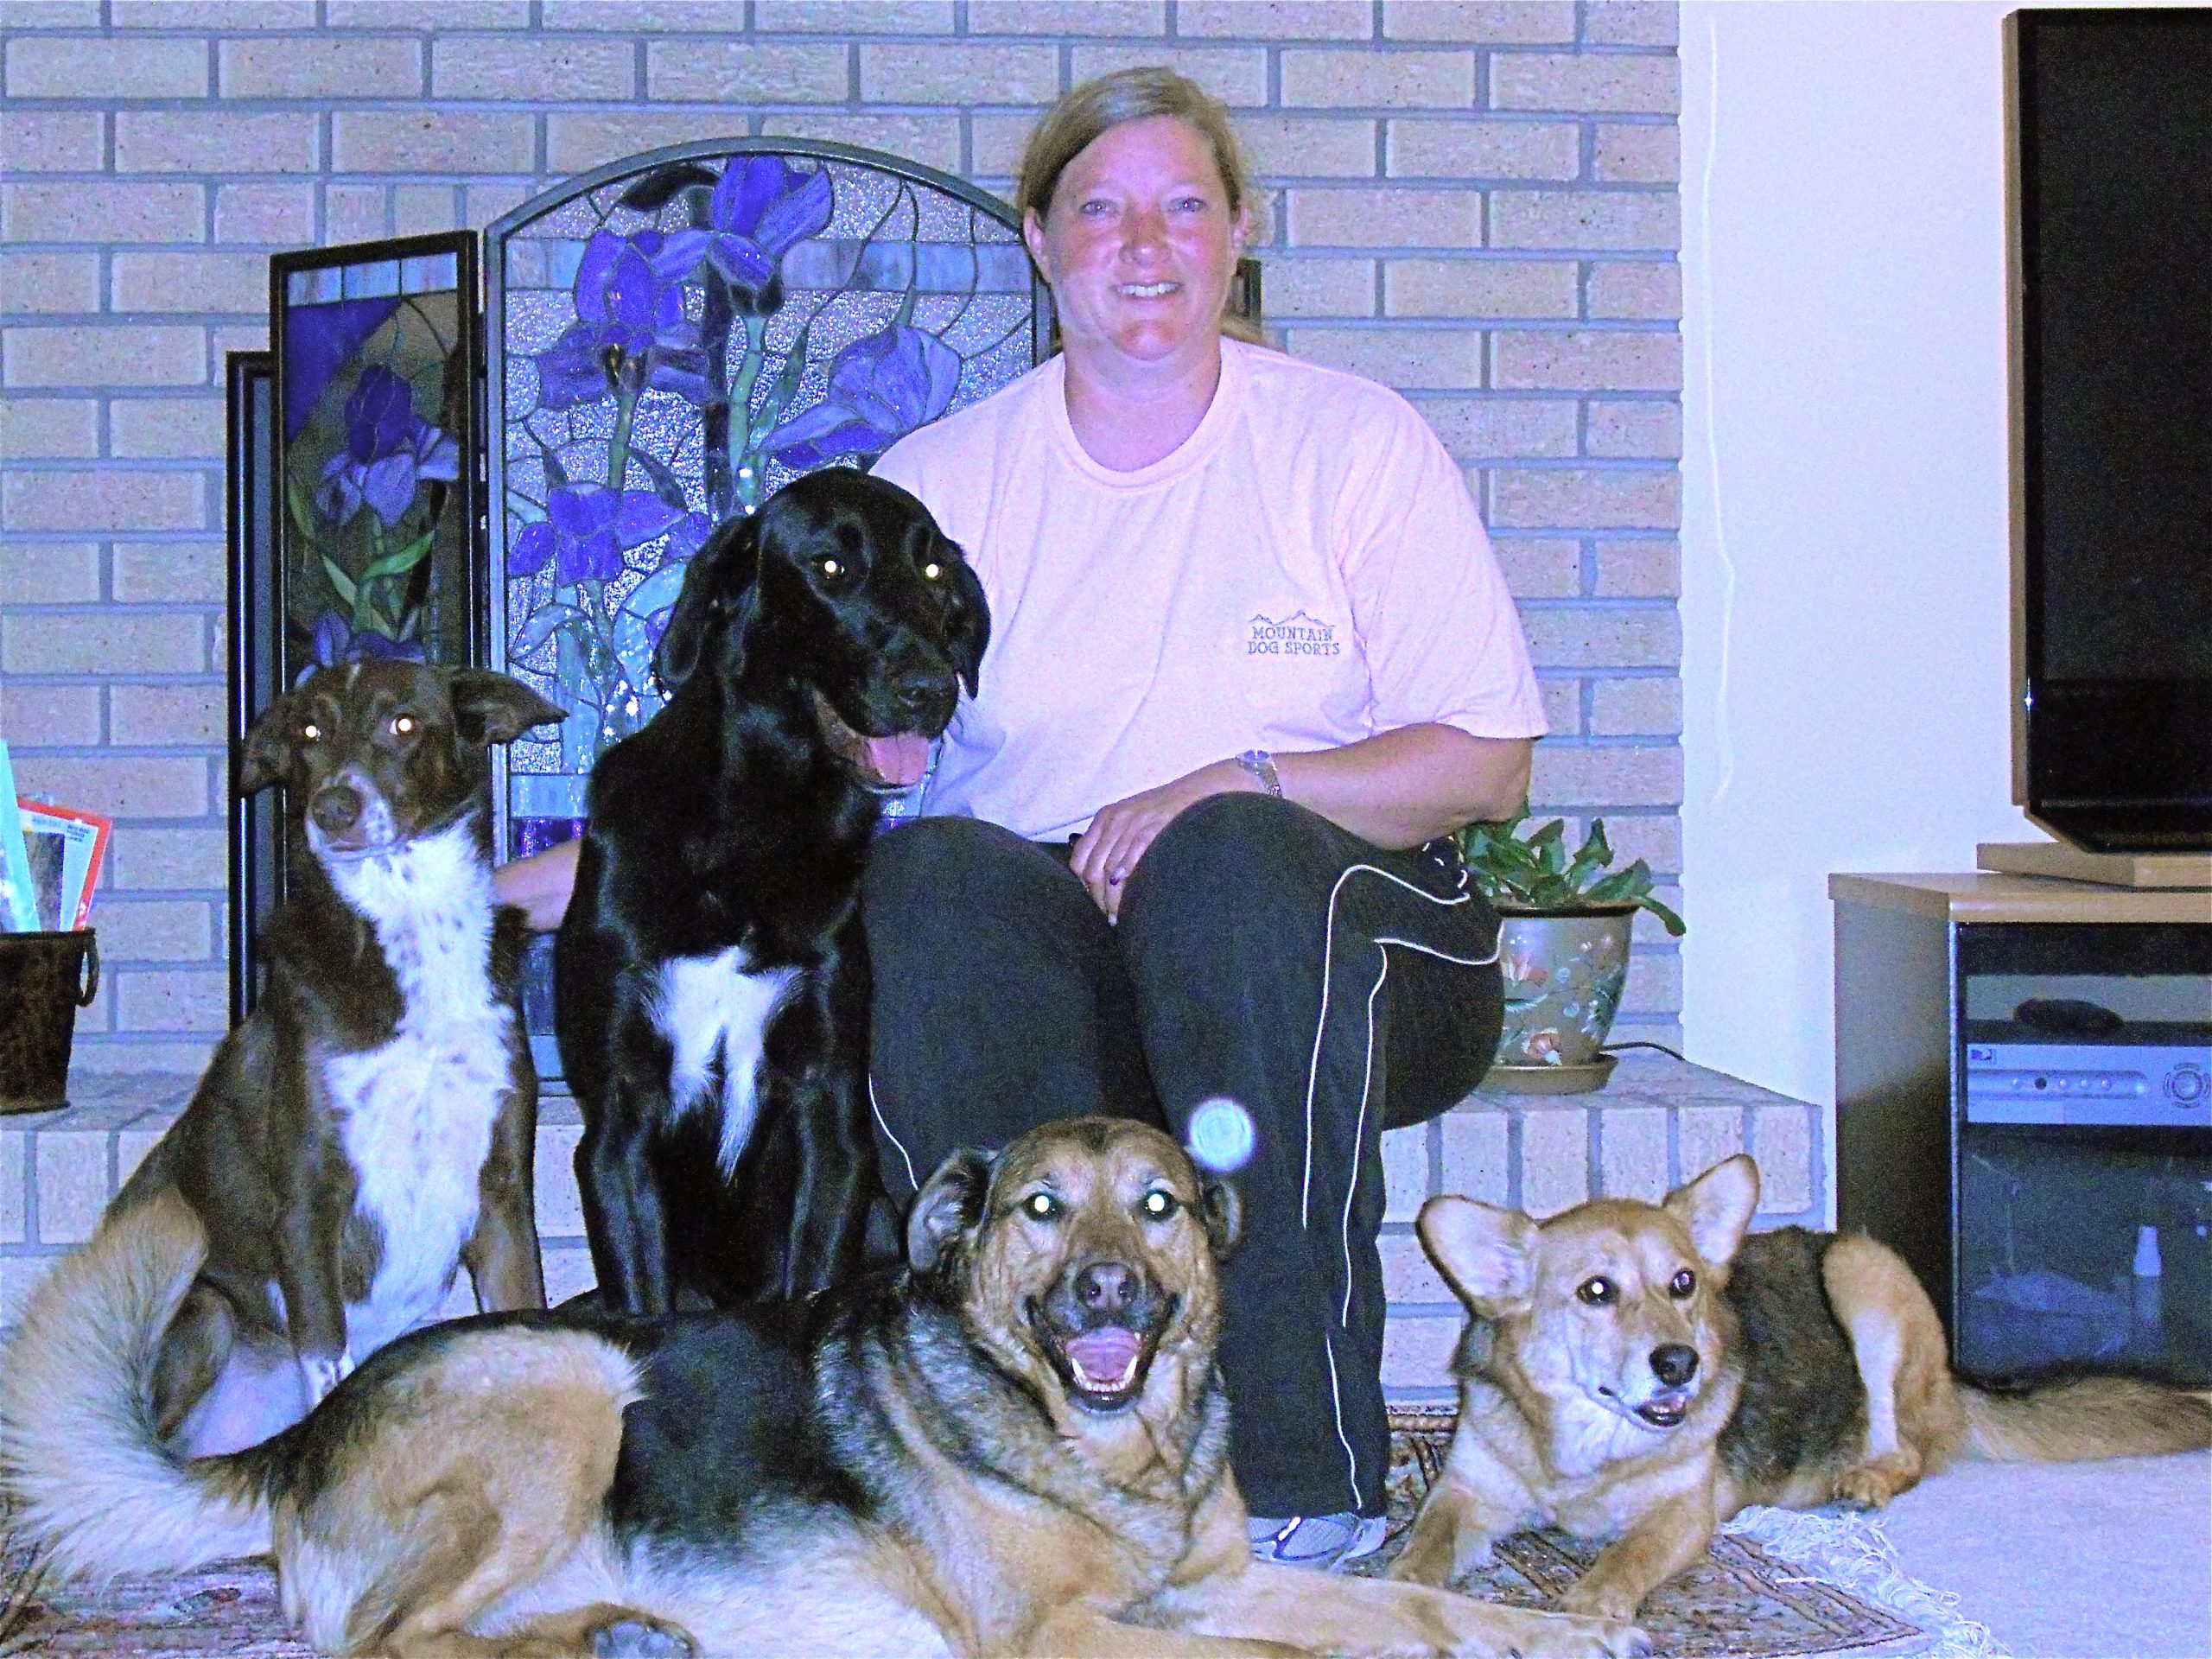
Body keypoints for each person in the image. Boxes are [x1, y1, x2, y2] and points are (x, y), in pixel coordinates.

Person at [499, 67, 1545, 1573]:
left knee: (1230, 867)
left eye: (1186, 206)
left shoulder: (1349, 444)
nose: (1145, 244)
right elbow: (762, 768)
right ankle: (1032, 1474)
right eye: (1100, 208)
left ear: (1240, 233)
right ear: (1039, 242)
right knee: (925, 883)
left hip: (1348, 938)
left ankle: (1300, 1474)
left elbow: (1486, 761)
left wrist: (1233, 778)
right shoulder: (940, 489)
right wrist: (538, 881)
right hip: (1064, 958)